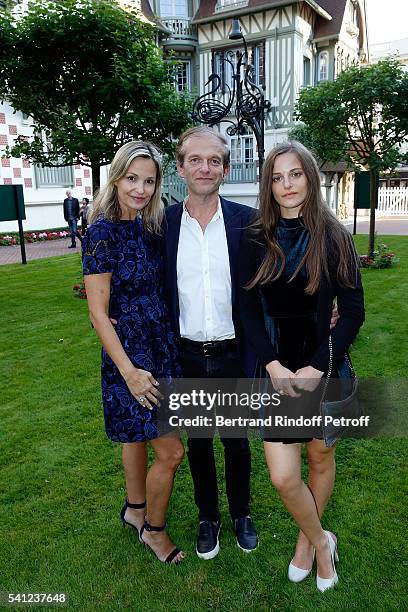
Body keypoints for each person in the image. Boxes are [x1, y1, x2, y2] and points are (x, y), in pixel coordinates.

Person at [239, 141, 364, 591]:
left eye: (295, 174)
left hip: (323, 365)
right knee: (283, 475)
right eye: (276, 177)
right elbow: (246, 311)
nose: (286, 185)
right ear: (267, 186)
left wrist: (316, 366)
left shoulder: (334, 236)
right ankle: (322, 538)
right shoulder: (255, 237)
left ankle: (305, 544)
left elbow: (352, 312)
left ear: (310, 177)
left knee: (319, 454)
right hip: (277, 371)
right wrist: (272, 364)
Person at [82, 141, 185, 564]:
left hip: (160, 345)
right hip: (129, 357)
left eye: (149, 180)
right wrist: (129, 372)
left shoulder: (151, 227)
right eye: (132, 178)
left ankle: (135, 509)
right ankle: (154, 532)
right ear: (116, 177)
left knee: (139, 436)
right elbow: (97, 313)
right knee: (172, 450)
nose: (140, 189)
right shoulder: (101, 232)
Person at [163, 126, 258, 559]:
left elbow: (272, 281)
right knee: (198, 441)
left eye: (214, 161)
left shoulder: (247, 221)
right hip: (186, 353)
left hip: (234, 351)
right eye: (195, 160)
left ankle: (241, 512)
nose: (205, 168)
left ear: (225, 168)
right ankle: (208, 516)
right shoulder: (161, 224)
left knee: (236, 440)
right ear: (180, 168)